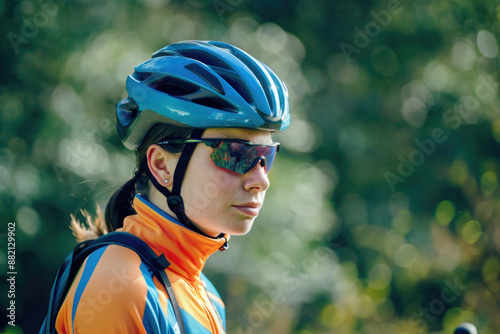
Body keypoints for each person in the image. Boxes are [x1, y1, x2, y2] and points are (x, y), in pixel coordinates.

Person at [54, 40, 290, 333]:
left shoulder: (208, 295)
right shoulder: (121, 287)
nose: (261, 179)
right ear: (162, 166)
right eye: (235, 154)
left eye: (265, 156)